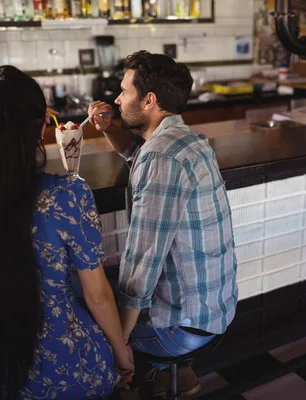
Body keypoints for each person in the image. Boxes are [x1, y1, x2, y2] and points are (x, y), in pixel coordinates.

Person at [0, 65, 134, 399]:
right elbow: (98, 296)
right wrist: (122, 353)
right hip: (72, 368)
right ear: (42, 128)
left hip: (1, 370)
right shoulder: (67, 196)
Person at [87, 51, 238, 397]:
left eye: (124, 92)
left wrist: (120, 347)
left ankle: (143, 374)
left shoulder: (161, 158)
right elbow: (137, 154)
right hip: (215, 310)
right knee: (112, 294)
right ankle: (174, 375)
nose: (116, 99)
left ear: (149, 100)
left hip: (185, 327)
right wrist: (110, 127)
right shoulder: (186, 140)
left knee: (88, 317)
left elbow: (142, 266)